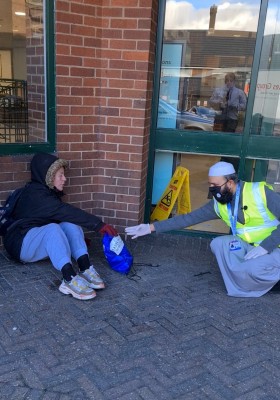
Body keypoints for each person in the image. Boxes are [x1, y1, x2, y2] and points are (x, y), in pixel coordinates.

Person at [125, 161, 280, 298]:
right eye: (210, 185)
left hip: (273, 246)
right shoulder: (219, 205)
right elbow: (188, 218)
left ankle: (267, 279)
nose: (212, 189)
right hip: (249, 245)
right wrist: (150, 227)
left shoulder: (260, 193)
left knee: (253, 270)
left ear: (231, 182)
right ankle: (244, 278)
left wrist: (266, 246)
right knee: (218, 244)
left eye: (215, 185)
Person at [3, 152, 118, 301]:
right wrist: (99, 225)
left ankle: (85, 267)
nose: (64, 179)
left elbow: (62, 217)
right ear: (48, 176)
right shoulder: (36, 195)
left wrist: (73, 238)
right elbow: (64, 211)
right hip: (19, 245)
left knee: (70, 223)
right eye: (60, 175)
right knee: (54, 229)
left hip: (34, 237)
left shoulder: (45, 191)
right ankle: (69, 279)